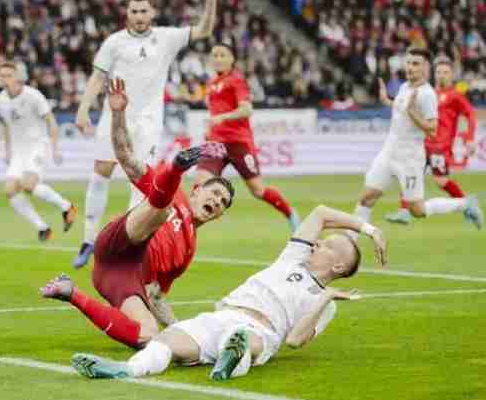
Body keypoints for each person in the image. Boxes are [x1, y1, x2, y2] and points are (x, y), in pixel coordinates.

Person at [69, 204, 387, 382]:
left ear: (340, 267)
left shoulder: (325, 303)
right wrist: (370, 230)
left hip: (265, 330)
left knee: (243, 339)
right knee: (166, 341)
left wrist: (326, 298)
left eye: (329, 245)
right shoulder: (294, 256)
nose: (319, 241)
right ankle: (126, 370)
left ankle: (232, 358)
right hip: (223, 314)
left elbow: (294, 340)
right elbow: (319, 213)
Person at [41, 78, 235, 349]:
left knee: (149, 337)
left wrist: (181, 330)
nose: (217, 201)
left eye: (222, 202)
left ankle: (69, 292)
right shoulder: (176, 196)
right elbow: (126, 157)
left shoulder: (188, 250)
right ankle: (175, 167)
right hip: (120, 242)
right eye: (214, 193)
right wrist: (118, 112)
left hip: (120, 277)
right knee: (164, 207)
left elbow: (155, 295)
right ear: (197, 190)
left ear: (219, 215)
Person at [72, 0, 223, 269]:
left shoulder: (167, 38)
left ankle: (129, 243)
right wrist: (83, 107)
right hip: (114, 115)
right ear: (127, 13)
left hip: (148, 122)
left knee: (140, 179)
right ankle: (88, 239)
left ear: (152, 12)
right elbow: (97, 77)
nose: (139, 15)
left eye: (144, 10)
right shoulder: (113, 42)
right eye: (134, 10)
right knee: (101, 169)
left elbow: (204, 31)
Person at [350, 48, 484, 233]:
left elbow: (431, 128)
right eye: (408, 62)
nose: (410, 67)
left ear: (426, 68)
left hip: (410, 158)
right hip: (388, 153)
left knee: (418, 209)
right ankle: (348, 245)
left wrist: (413, 113)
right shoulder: (405, 87)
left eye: (416, 64)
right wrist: (387, 100)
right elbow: (401, 107)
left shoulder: (427, 94)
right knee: (366, 198)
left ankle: (464, 203)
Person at [194, 44, 300, 231]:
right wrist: (210, 130)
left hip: (238, 143)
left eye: (222, 55)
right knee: (200, 184)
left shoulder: (236, 80)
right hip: (215, 144)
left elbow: (247, 109)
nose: (218, 58)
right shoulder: (211, 83)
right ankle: (186, 228)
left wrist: (222, 117)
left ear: (232, 59)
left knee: (258, 190)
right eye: (215, 55)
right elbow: (215, 111)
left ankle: (290, 214)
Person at [385, 56, 477, 225]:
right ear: (433, 74)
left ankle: (466, 204)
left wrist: (470, 138)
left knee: (440, 181)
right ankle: (404, 211)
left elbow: (470, 115)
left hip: (440, 145)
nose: (442, 75)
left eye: (446, 72)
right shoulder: (427, 92)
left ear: (451, 75)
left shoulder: (455, 96)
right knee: (410, 174)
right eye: (439, 72)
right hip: (421, 142)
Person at [0, 62, 77, 241]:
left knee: (28, 185)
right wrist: (7, 150)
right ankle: (43, 228)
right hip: (19, 151)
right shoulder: (1, 100)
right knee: (10, 190)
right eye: (2, 76)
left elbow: (51, 121)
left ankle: (67, 206)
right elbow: (6, 126)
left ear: (17, 77)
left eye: (9, 75)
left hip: (38, 145)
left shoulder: (33, 95)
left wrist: (55, 148)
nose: (5, 79)